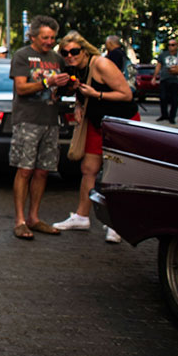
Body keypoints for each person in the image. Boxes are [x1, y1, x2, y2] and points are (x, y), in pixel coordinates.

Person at [52, 31, 139, 243]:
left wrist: (96, 95)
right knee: (88, 169)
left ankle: (116, 224)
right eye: (65, 52)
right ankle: (82, 216)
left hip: (120, 124)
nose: (70, 55)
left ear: (84, 49)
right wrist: (80, 104)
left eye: (74, 51)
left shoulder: (101, 64)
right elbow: (81, 91)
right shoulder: (74, 69)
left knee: (116, 173)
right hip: (97, 123)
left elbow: (126, 94)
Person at [8, 15, 70, 240]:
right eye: (45, 37)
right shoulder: (22, 56)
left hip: (50, 120)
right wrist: (47, 82)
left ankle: (34, 217)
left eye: (52, 37)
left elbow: (63, 87)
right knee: (24, 169)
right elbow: (21, 88)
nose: (50, 41)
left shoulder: (56, 58)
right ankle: (20, 220)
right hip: (28, 120)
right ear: (33, 36)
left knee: (43, 171)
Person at [155, 38, 178, 123]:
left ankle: (172, 117)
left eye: (173, 45)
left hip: (176, 80)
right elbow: (158, 66)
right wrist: (154, 77)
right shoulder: (163, 55)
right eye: (169, 45)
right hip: (164, 79)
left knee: (174, 99)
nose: (171, 47)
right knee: (163, 98)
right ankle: (164, 114)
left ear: (177, 46)